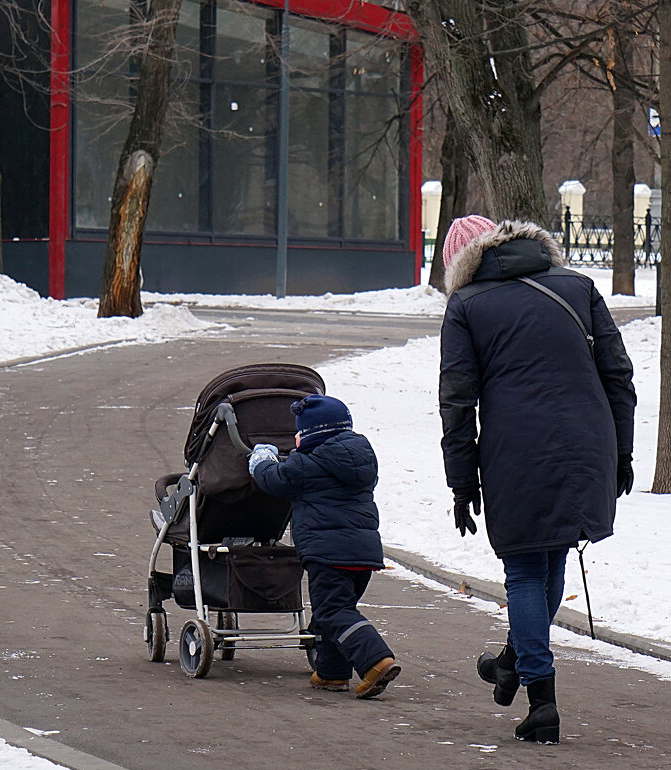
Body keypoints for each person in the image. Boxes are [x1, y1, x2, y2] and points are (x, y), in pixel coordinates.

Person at [438, 215, 636, 743]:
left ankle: (541, 699)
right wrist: (622, 452)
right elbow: (617, 373)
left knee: (525, 570)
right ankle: (512, 659)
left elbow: (458, 402)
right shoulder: (578, 287)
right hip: (587, 443)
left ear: (461, 263)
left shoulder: (466, 308)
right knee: (549, 559)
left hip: (515, 452)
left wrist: (462, 482)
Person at [248, 394, 401, 699]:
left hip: (327, 553)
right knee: (332, 611)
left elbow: (273, 480)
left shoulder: (306, 464)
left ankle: (375, 660)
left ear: (310, 434)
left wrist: (261, 460)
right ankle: (332, 673)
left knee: (332, 611)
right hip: (363, 552)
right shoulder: (361, 456)